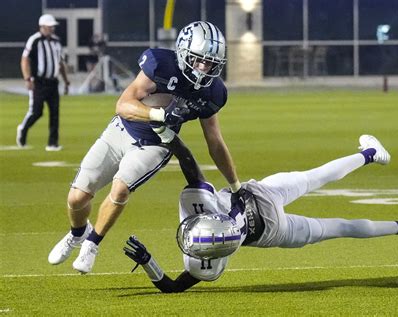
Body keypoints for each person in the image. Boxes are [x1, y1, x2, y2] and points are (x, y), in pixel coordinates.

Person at [123, 132, 398, 293]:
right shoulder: (203, 211)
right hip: (259, 196)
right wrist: (167, 133)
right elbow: (190, 164)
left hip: (273, 232)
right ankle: (370, 154)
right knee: (316, 176)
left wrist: (150, 263)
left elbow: (173, 287)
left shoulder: (206, 261)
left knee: (339, 227)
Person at [48, 21, 243, 274]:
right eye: (198, 60)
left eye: (211, 63)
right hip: (120, 131)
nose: (204, 68)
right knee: (77, 198)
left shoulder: (213, 92)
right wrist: (160, 114)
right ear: (184, 52)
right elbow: (123, 104)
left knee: (120, 190)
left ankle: (92, 243)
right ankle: (77, 233)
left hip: (154, 145)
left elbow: (215, 142)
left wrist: (236, 186)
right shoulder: (161, 64)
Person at [17, 14, 70, 151]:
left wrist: (66, 80)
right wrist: (27, 78)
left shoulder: (57, 42)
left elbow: (60, 62)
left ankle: (52, 143)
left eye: (53, 27)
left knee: (54, 112)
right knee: (36, 112)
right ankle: (23, 129)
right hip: (38, 82)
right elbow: (25, 60)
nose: (52, 29)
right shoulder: (34, 40)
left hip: (53, 82)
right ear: (42, 27)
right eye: (49, 27)